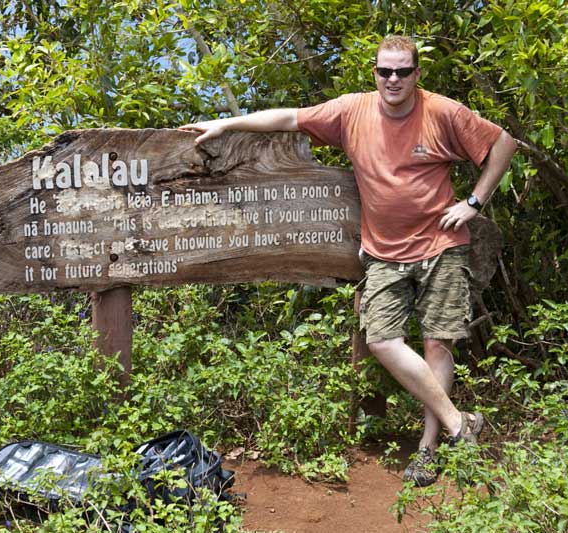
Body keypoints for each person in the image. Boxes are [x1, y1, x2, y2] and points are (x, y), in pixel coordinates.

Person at [179, 35, 517, 487]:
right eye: (384, 71)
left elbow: (503, 145)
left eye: (402, 71)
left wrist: (474, 202)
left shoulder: (442, 111)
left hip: (441, 245)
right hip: (382, 251)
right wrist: (226, 124)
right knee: (382, 340)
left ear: (417, 74)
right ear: (374, 73)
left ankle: (429, 448)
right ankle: (460, 424)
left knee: (438, 344)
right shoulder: (351, 111)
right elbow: (289, 118)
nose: (392, 79)